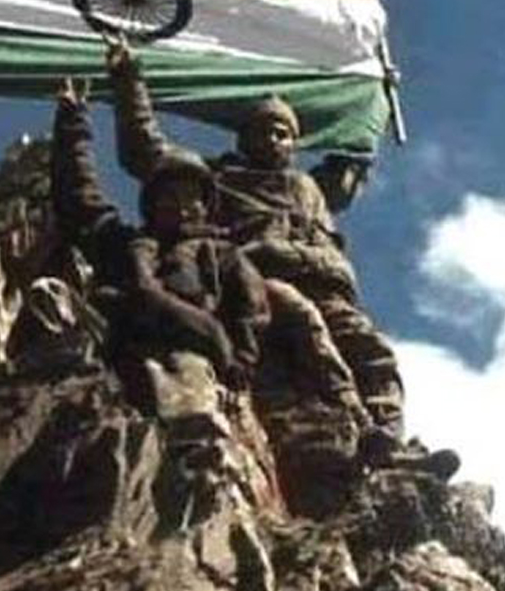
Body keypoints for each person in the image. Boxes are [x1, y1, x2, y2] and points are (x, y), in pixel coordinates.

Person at [104, 43, 415, 463]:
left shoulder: (310, 187)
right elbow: (146, 150)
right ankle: (353, 420)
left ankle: (390, 444)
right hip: (260, 286)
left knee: (372, 352)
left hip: (329, 286)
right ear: (243, 138)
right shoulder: (220, 180)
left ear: (294, 143)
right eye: (261, 131)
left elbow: (354, 156)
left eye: (281, 133)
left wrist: (373, 102)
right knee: (304, 325)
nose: (271, 139)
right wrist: (129, 80)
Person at [51, 77, 372, 431]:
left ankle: (358, 420)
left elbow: (252, 309)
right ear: (151, 202)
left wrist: (236, 360)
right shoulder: (126, 244)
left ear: (206, 207)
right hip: (122, 350)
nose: (181, 206)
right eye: (169, 196)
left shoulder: (224, 255)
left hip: (192, 359)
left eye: (191, 199)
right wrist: (74, 119)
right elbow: (81, 197)